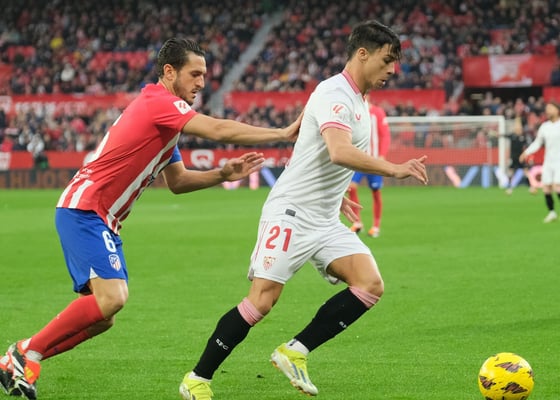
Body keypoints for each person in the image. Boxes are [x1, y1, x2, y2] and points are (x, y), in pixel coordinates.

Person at [0, 37, 300, 400]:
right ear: (169, 72)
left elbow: (178, 182)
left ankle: (23, 358)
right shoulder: (159, 102)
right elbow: (218, 130)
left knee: (104, 317)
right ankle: (24, 352)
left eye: (204, 75)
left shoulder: (166, 123)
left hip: (102, 218)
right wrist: (282, 133)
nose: (202, 82)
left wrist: (222, 174)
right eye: (195, 74)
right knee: (112, 298)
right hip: (85, 208)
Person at [179, 20, 428, 400]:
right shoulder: (334, 93)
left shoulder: (360, 100)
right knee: (262, 301)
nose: (393, 69)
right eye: (387, 60)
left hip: (324, 217)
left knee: (369, 284)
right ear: (363, 54)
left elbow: (318, 154)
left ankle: (294, 351)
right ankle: (197, 378)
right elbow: (339, 151)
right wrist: (393, 168)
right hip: (292, 213)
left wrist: (336, 192)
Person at [348, 103, 391, 237]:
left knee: (375, 191)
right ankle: (357, 222)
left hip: (374, 160)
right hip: (358, 159)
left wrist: (382, 154)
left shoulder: (378, 112)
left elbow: (385, 135)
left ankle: (376, 226)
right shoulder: (353, 111)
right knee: (351, 187)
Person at [520, 100, 560, 223]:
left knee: (557, 187)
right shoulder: (544, 127)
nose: (548, 111)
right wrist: (526, 152)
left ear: (557, 110)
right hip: (548, 161)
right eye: (547, 109)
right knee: (546, 188)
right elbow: (538, 142)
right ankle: (552, 212)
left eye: (550, 108)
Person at [504, 117, 530, 195]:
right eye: (517, 129)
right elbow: (503, 135)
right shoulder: (512, 136)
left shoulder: (523, 138)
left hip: (521, 158)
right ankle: (509, 188)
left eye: (519, 129)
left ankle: (530, 187)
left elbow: (527, 148)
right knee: (511, 173)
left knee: (526, 172)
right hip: (513, 158)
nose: (518, 130)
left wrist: (527, 156)